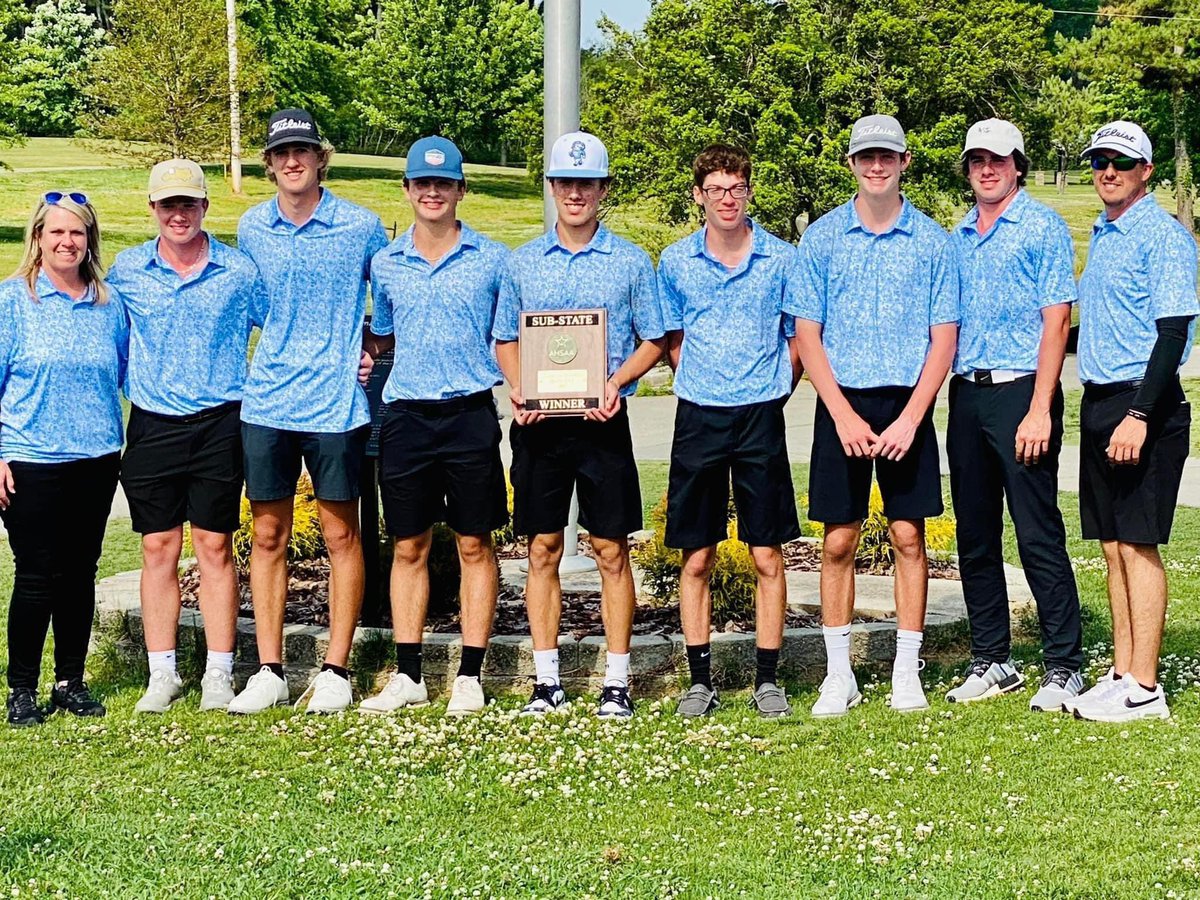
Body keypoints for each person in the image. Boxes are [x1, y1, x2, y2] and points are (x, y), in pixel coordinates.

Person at [790, 115, 959, 718]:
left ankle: (905, 671)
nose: (877, 166)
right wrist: (839, 414)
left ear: (905, 162)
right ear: (853, 164)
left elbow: (944, 338)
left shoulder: (934, 242)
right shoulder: (823, 238)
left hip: (906, 405)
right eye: (867, 157)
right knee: (837, 541)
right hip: (843, 405)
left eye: (888, 156)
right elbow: (807, 334)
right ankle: (840, 675)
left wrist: (914, 416)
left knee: (908, 536)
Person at [493, 131, 666, 718]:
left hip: (602, 421)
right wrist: (519, 387)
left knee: (610, 549)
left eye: (586, 183)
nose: (575, 193)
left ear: (602, 189)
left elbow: (655, 339)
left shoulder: (630, 262)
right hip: (540, 425)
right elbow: (506, 339)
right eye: (565, 183)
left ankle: (616, 682)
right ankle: (548, 682)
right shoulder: (522, 264)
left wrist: (617, 381)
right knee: (541, 548)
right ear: (551, 188)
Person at [228, 108, 387, 715]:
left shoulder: (362, 226)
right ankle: (270, 670)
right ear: (269, 164)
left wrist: (372, 342)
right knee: (267, 534)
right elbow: (256, 306)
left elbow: (392, 291)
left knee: (341, 533)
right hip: (268, 398)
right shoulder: (251, 227)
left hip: (336, 404)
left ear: (321, 158)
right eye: (281, 152)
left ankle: (336, 670)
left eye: (303, 150)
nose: (293, 161)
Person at [107, 159, 266, 713]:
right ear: (153, 208)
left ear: (205, 207)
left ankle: (219, 672)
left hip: (221, 423)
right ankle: (163, 672)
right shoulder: (127, 272)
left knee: (215, 547)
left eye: (189, 204)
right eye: (168, 204)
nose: (179, 214)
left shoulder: (239, 271)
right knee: (158, 547)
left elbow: (280, 331)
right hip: (152, 424)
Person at [359, 137, 508, 717]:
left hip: (470, 413)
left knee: (475, 542)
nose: (432, 193)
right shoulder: (386, 263)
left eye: (443, 184)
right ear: (408, 190)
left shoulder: (492, 259)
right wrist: (364, 353)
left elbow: (511, 337)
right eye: (422, 183)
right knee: (408, 544)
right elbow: (383, 333)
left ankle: (470, 674)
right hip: (407, 417)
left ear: (461, 191)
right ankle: (410, 673)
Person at [943, 120, 1085, 712]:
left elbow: (1057, 321)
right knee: (975, 534)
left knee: (1036, 529)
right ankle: (993, 659)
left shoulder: (1043, 227)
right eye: (976, 160)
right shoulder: (957, 235)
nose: (986, 169)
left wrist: (1039, 408)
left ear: (1018, 165)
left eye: (997, 160)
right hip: (967, 394)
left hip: (1023, 391)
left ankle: (1063, 664)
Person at [657, 144, 803, 719]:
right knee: (697, 556)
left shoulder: (781, 258)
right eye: (715, 188)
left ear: (748, 192)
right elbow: (672, 341)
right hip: (699, 417)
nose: (727, 198)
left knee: (767, 553)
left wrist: (773, 387)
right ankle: (699, 679)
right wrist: (706, 381)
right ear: (698, 195)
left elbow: (798, 338)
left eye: (736, 188)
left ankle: (768, 679)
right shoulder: (675, 262)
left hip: (761, 417)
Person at [1068, 121, 1198, 722]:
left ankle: (1146, 687)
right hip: (1099, 401)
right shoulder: (1107, 232)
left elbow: (1173, 334)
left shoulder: (1163, 236)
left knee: (1139, 543)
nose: (1108, 171)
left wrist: (1140, 414)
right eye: (1100, 162)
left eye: (1121, 162)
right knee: (1113, 543)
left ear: (1146, 170)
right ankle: (1121, 672)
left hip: (1143, 404)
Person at [1, 192, 127, 726]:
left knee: (80, 573)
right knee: (36, 574)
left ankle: (69, 682)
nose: (67, 241)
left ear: (89, 240)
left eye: (76, 232)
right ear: (38, 238)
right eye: (56, 232)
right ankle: (22, 687)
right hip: (29, 458)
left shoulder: (108, 303)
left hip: (96, 458)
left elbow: (126, 373)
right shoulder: (13, 300)